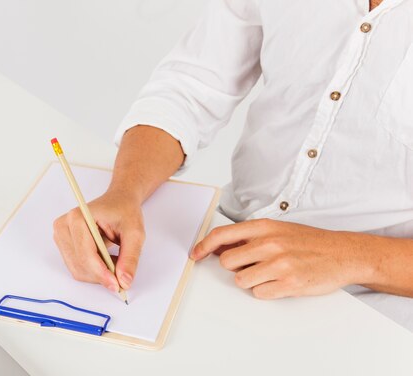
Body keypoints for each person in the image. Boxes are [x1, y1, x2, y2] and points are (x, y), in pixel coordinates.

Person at [53, 0, 413, 327]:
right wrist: (124, 192)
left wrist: (353, 256)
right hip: (226, 249)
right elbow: (191, 87)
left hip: (373, 308)